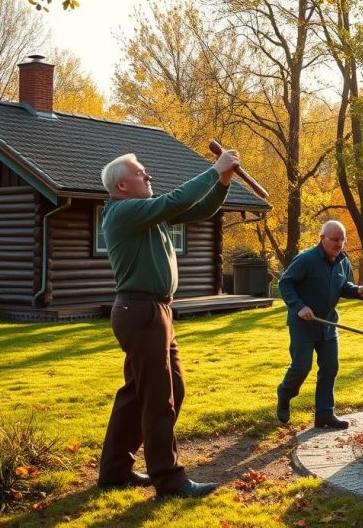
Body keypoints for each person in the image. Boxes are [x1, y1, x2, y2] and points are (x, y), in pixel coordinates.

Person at [96, 150, 239, 498]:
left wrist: (222, 183)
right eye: (142, 173)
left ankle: (115, 469)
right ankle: (170, 479)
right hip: (141, 311)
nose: (149, 177)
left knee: (144, 393)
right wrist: (214, 169)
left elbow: (199, 209)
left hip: (153, 311)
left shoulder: (146, 215)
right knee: (159, 398)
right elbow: (177, 198)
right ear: (122, 185)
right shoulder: (124, 211)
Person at [276, 220, 363, 429]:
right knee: (301, 367)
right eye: (334, 239)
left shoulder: (343, 262)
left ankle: (324, 415)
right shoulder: (306, 259)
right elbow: (285, 283)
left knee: (330, 368)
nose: (339, 243)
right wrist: (299, 306)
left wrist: (356, 291)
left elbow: (342, 286)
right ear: (322, 238)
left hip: (327, 323)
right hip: (303, 324)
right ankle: (284, 395)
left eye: (342, 239)